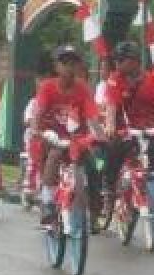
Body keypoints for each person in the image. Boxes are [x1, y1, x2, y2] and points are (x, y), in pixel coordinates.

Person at [102, 41, 154, 226]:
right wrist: (110, 125)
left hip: (148, 130)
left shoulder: (153, 79)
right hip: (124, 129)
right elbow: (111, 105)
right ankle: (108, 194)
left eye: (120, 60)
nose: (116, 64)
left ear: (133, 61)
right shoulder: (115, 79)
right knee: (113, 152)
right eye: (116, 61)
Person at [32, 44, 104, 227]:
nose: (69, 67)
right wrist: (36, 130)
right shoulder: (47, 87)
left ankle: (95, 210)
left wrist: (100, 136)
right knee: (55, 155)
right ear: (57, 66)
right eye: (65, 63)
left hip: (77, 140)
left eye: (73, 63)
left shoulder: (83, 88)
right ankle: (48, 202)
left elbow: (92, 116)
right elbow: (38, 113)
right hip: (52, 137)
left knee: (92, 167)